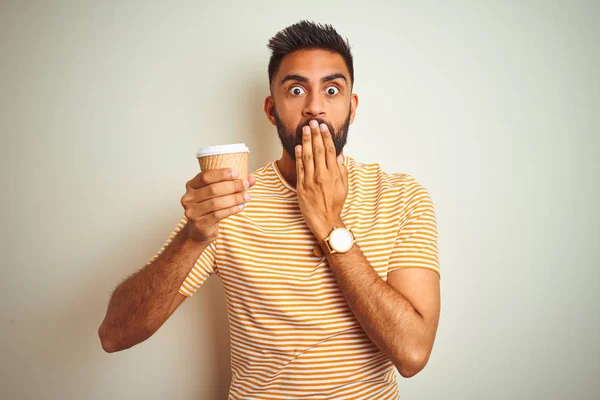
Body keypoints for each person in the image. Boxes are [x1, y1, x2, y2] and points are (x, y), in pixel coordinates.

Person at [98, 20, 441, 399]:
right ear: (272, 109)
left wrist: (329, 224)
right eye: (296, 90)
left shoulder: (402, 196)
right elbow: (115, 335)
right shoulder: (230, 200)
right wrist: (192, 238)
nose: (314, 107)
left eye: (331, 90)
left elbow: (412, 354)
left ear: (352, 106)